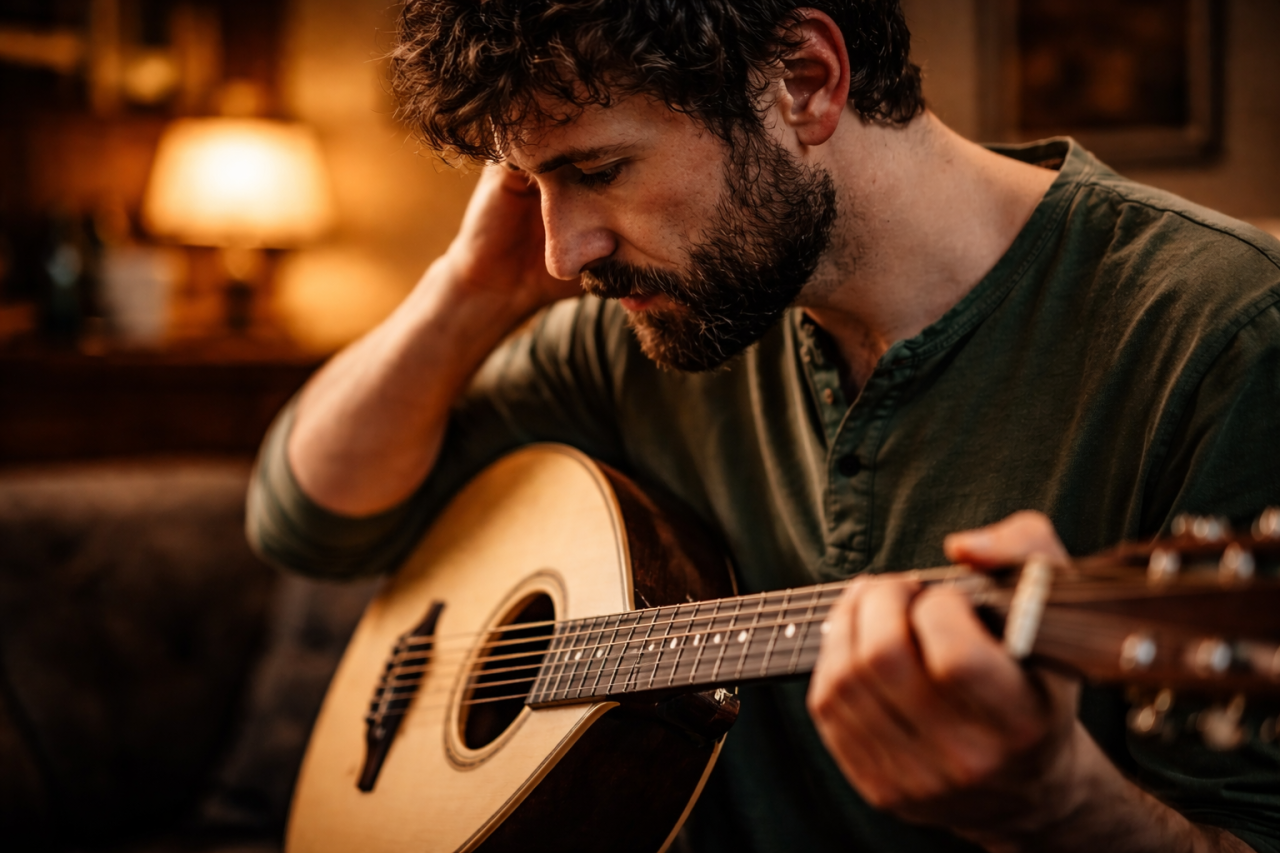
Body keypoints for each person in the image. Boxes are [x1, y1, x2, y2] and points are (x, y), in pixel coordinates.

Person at [247, 1, 1280, 850]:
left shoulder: (1223, 334)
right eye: (529, 184)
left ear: (804, 80)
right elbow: (312, 522)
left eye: (596, 170)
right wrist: (466, 289)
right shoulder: (657, 329)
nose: (562, 252)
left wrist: (1056, 812)